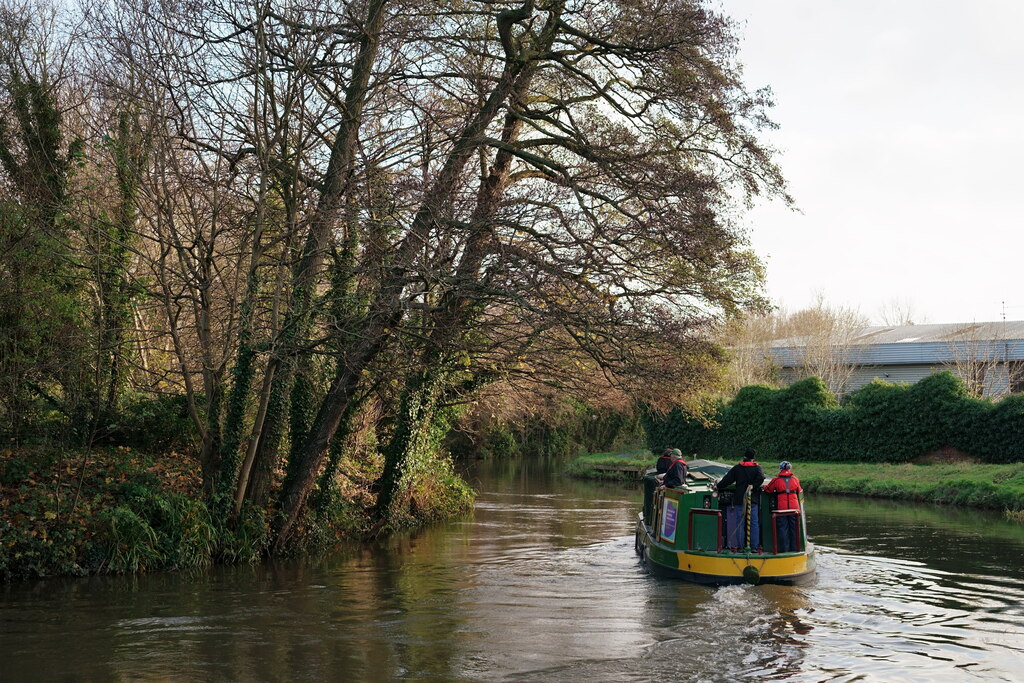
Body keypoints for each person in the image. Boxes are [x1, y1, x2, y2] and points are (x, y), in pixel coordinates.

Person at [716, 448, 765, 550]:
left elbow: (727, 480)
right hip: (753, 500)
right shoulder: (757, 468)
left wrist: (718, 486)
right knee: (754, 523)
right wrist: (753, 486)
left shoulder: (738, 468)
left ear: (744, 457)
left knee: (740, 523)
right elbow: (761, 478)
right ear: (753, 458)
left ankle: (741, 547)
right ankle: (754, 547)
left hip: (739, 498)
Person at [763, 461, 803, 552]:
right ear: (789, 469)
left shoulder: (776, 480)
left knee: (783, 529)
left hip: (782, 509)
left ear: (780, 469)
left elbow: (768, 490)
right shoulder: (795, 479)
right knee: (794, 529)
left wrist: (764, 487)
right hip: (794, 508)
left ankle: (784, 550)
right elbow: (799, 490)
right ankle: (795, 549)